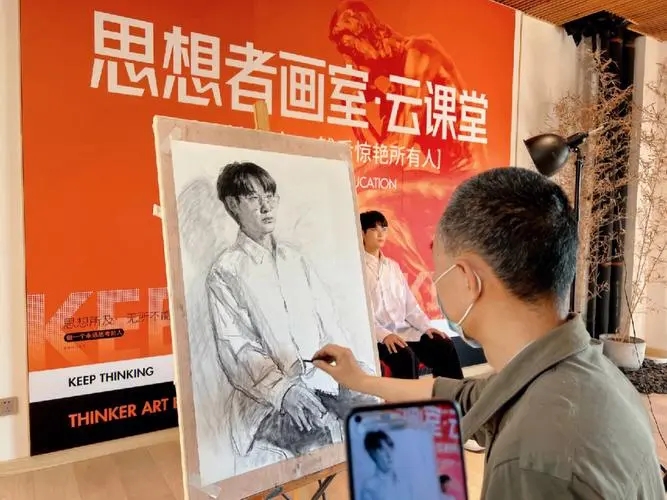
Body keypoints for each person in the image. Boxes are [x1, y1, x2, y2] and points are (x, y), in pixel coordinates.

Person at [313, 167, 665, 498]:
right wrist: (360, 381)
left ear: (468, 280)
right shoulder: (587, 372)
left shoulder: (531, 459)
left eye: (439, 269)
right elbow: (460, 396)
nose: (435, 282)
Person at [207, 161, 372, 460]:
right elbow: (238, 349)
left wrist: (353, 367)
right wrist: (283, 391)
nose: (266, 206)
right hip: (268, 400)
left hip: (322, 381)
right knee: (316, 443)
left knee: (378, 413)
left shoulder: (295, 260)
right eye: (253, 198)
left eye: (270, 196)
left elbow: (329, 322)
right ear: (232, 204)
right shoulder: (226, 271)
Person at [360, 209, 464, 381]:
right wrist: (384, 335)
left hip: (404, 332)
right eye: (373, 229)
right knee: (405, 357)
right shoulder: (357, 268)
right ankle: (410, 399)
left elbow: (410, 306)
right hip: (378, 338)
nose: (380, 234)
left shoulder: (392, 267)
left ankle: (451, 394)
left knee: (443, 344)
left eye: (384, 229)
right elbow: (361, 314)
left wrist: (426, 327)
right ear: (362, 233)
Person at [360, 430, 414, 500]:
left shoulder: (405, 483)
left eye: (390, 448)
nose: (389, 455)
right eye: (382, 450)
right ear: (373, 454)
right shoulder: (369, 488)